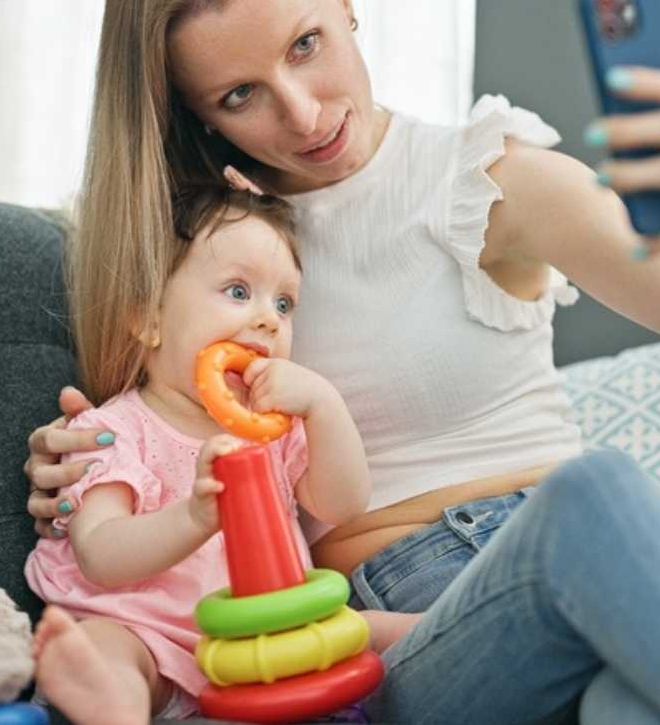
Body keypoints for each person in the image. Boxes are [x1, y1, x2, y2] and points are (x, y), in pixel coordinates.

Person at [23, 0, 660, 724]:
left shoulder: (487, 179)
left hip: (591, 572)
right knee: (593, 499)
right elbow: (149, 437)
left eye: (305, 45)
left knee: (630, 702)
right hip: (414, 625)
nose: (303, 110)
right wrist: (82, 463)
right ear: (197, 114)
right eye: (239, 96)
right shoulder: (205, 255)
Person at [24, 183, 415, 723]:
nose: (268, 319)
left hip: (267, 633)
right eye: (237, 291)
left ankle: (467, 635)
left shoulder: (271, 429)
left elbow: (342, 504)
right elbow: (101, 553)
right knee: (107, 648)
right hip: (152, 635)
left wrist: (324, 406)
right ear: (149, 318)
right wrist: (194, 516)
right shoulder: (111, 430)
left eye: (284, 302)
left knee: (374, 627)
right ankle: (112, 704)